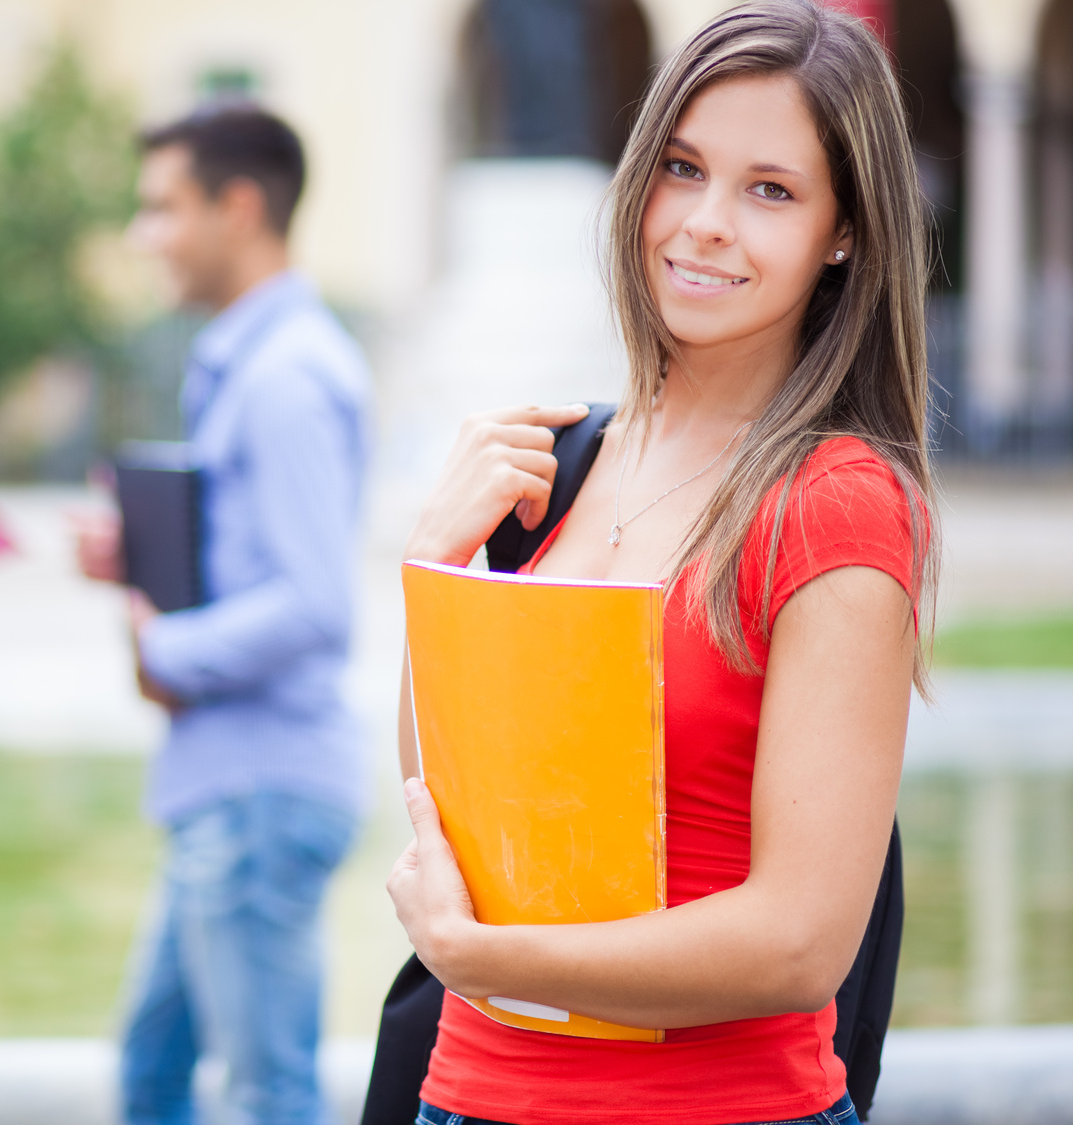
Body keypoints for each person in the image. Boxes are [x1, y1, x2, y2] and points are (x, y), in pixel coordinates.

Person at [387, 3, 938, 1123]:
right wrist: (432, 561)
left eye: (769, 190)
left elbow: (798, 943)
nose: (703, 224)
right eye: (681, 169)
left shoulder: (835, 505)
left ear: (844, 232)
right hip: (465, 1098)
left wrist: (490, 960)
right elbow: (449, 796)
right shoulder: (563, 461)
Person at [74, 106, 372, 1125]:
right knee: (151, 1077)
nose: (140, 234)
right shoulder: (253, 363)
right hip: (226, 786)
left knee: (267, 1097)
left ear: (237, 207)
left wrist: (165, 644)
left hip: (260, 792)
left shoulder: (285, 376)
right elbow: (256, 562)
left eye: (161, 207)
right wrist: (138, 559)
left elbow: (315, 605)